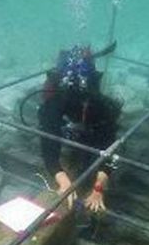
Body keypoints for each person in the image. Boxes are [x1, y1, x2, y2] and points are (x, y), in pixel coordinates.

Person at [38, 45, 122, 213]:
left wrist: (98, 187)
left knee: (91, 157)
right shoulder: (53, 106)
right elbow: (49, 149)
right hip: (70, 125)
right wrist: (64, 182)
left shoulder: (101, 108)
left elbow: (111, 148)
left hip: (93, 129)